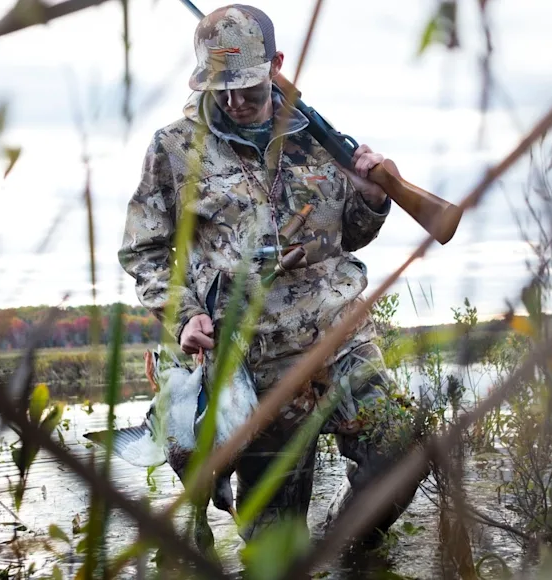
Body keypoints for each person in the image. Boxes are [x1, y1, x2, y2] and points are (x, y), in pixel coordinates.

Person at [119, 3, 424, 547]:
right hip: (253, 366)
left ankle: (347, 549)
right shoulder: (175, 148)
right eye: (220, 88)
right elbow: (144, 250)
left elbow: (349, 235)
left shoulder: (323, 142)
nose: (234, 100)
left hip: (341, 339)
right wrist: (185, 315)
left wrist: (372, 200)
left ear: (276, 65)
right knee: (274, 551)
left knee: (400, 454)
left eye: (246, 87)